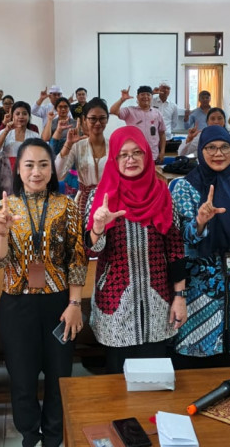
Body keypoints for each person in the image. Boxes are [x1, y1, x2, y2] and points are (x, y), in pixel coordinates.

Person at [0, 139, 87, 447]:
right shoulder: (3, 208)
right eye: (29, 165)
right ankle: (29, 435)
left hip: (59, 306)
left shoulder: (67, 206)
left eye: (43, 165)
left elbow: (77, 258)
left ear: (52, 169)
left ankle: (53, 437)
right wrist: (1, 232)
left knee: (58, 376)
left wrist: (75, 303)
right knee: (22, 379)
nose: (36, 172)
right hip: (17, 306)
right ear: (18, 169)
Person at [86, 126, 187, 374]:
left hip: (158, 301)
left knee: (156, 379)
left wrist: (180, 296)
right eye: (123, 154)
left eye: (137, 152)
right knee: (117, 381)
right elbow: (92, 250)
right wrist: (98, 227)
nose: (130, 159)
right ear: (114, 158)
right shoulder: (101, 196)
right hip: (115, 304)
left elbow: (175, 249)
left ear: (146, 154)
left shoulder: (162, 194)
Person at [171, 126, 230, 368]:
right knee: (196, 361)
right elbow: (181, 239)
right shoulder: (185, 187)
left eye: (224, 147)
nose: (218, 153)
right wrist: (200, 222)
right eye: (211, 147)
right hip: (197, 289)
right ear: (201, 151)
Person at [56, 97, 110, 216]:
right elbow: (59, 175)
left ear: (107, 119)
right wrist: (68, 144)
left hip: (109, 200)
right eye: (93, 118)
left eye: (102, 118)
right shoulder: (77, 146)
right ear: (84, 119)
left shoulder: (114, 145)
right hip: (84, 202)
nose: (98, 123)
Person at [110, 86, 167, 164]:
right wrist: (122, 99)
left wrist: (162, 151)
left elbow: (162, 134)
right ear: (137, 97)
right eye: (142, 94)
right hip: (134, 155)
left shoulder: (157, 113)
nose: (145, 97)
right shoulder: (130, 111)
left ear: (151, 97)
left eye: (148, 94)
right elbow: (113, 111)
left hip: (153, 155)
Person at [178, 108, 230, 173]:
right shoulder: (200, 137)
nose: (216, 122)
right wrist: (189, 140)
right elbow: (182, 153)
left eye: (219, 118)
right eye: (212, 119)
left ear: (224, 121)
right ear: (207, 122)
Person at [0, 101, 41, 167]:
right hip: (7, 169)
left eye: (24, 114)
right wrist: (6, 131)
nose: (21, 116)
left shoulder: (35, 136)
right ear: (12, 116)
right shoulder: (5, 132)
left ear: (29, 116)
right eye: (17, 114)